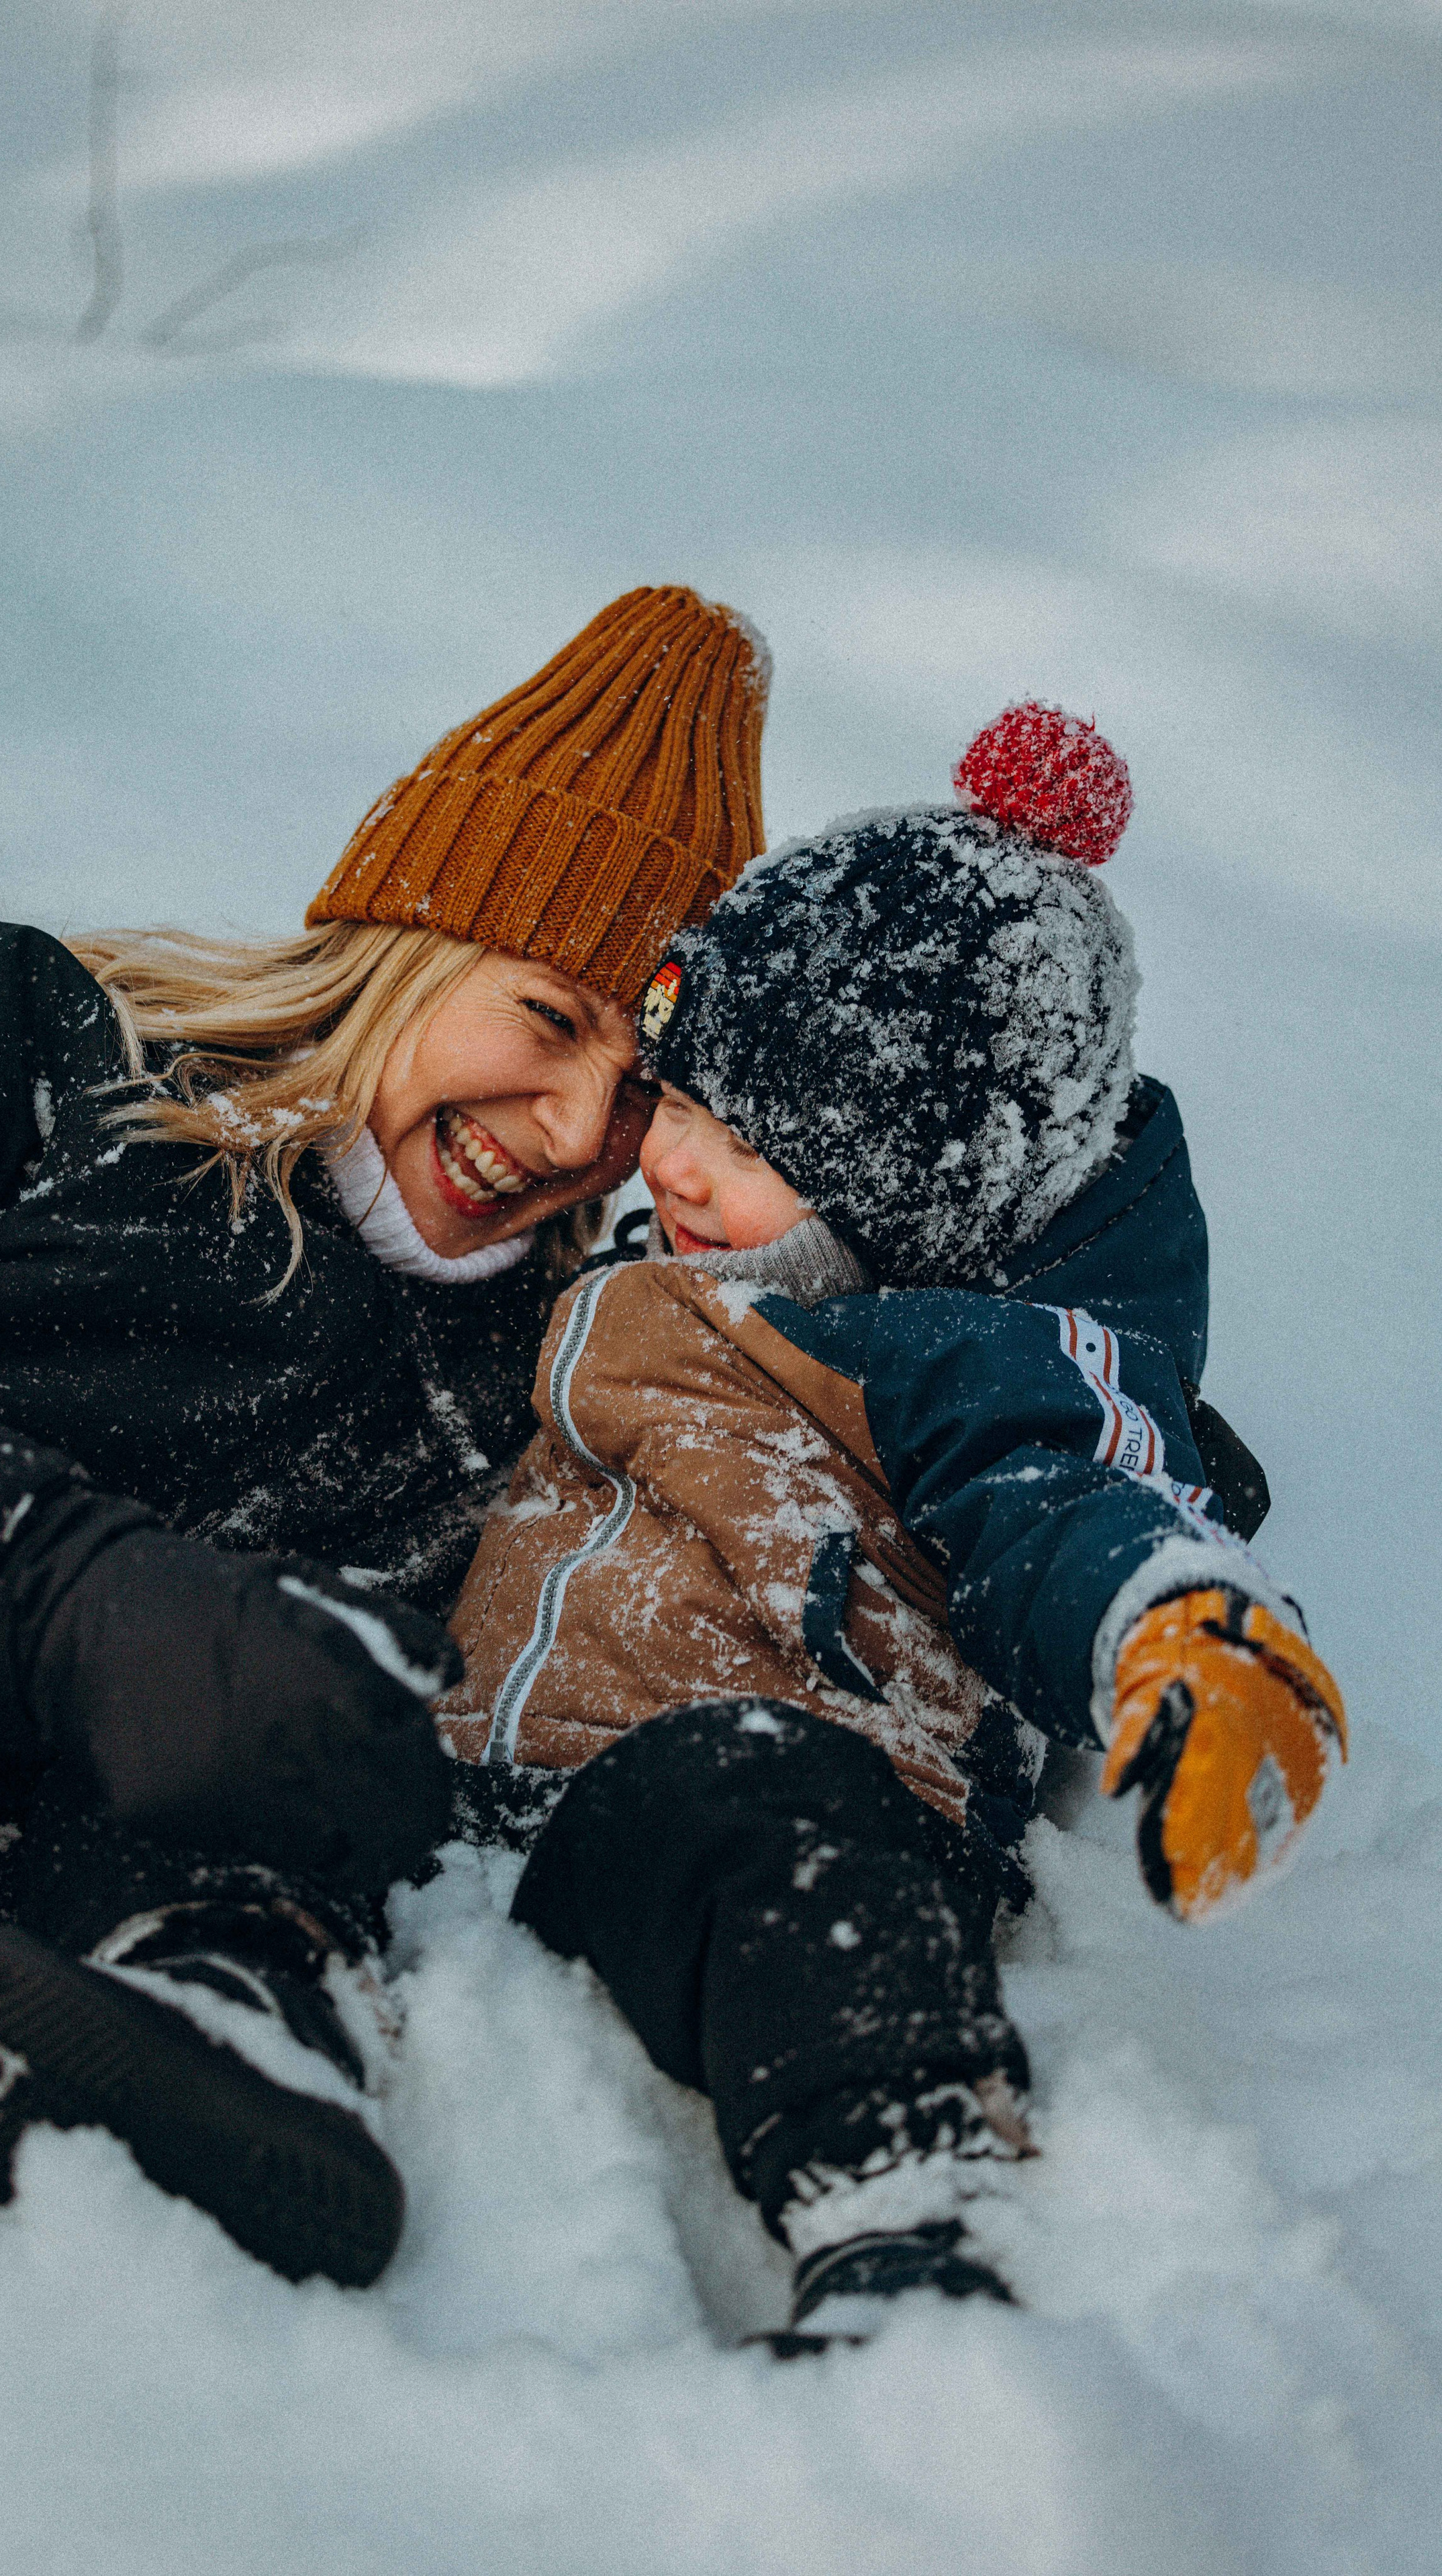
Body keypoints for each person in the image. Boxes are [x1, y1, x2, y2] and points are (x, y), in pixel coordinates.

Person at [0, 584, 770, 2486]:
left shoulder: (538, 1396)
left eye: (641, 1089)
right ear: (410, 926)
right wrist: (60, 1597)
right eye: (547, 1015)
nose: (567, 1128)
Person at [435, 703, 1347, 2350]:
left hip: (790, 1803)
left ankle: (905, 2201)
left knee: (757, 1808)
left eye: (750, 1148)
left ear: (907, 1195)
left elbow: (1058, 1486)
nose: (676, 1166)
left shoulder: (936, 1354)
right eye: (677, 1103)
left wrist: (1166, 1618)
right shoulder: (648, 1274)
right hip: (499, 1799)